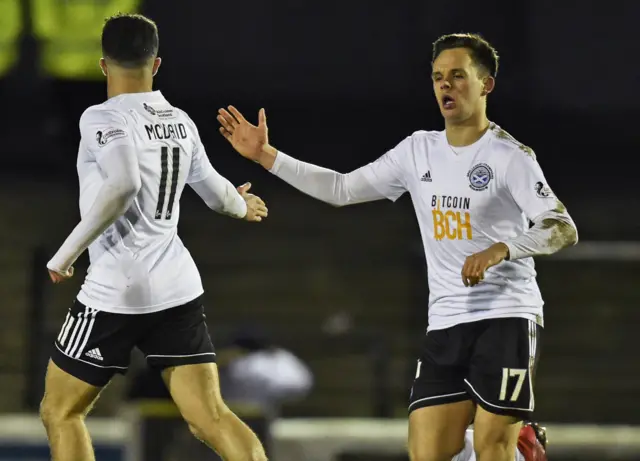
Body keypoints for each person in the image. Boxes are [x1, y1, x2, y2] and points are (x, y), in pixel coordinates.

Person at [217, 32, 578, 461]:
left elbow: (561, 227)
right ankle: (525, 450)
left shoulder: (509, 156)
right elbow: (341, 188)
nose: (445, 85)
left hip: (506, 314)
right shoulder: (417, 151)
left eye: (458, 76)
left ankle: (511, 447)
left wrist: (501, 248)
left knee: (490, 446)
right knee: (428, 453)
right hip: (445, 319)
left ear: (486, 84)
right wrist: (267, 156)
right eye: (438, 77)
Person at [42, 13, 269, 461]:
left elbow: (123, 184)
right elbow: (218, 194)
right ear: (157, 64)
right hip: (176, 288)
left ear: (103, 65)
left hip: (115, 291)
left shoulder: (101, 117)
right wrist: (244, 206)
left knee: (60, 412)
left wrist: (65, 255)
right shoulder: (181, 122)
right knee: (211, 417)